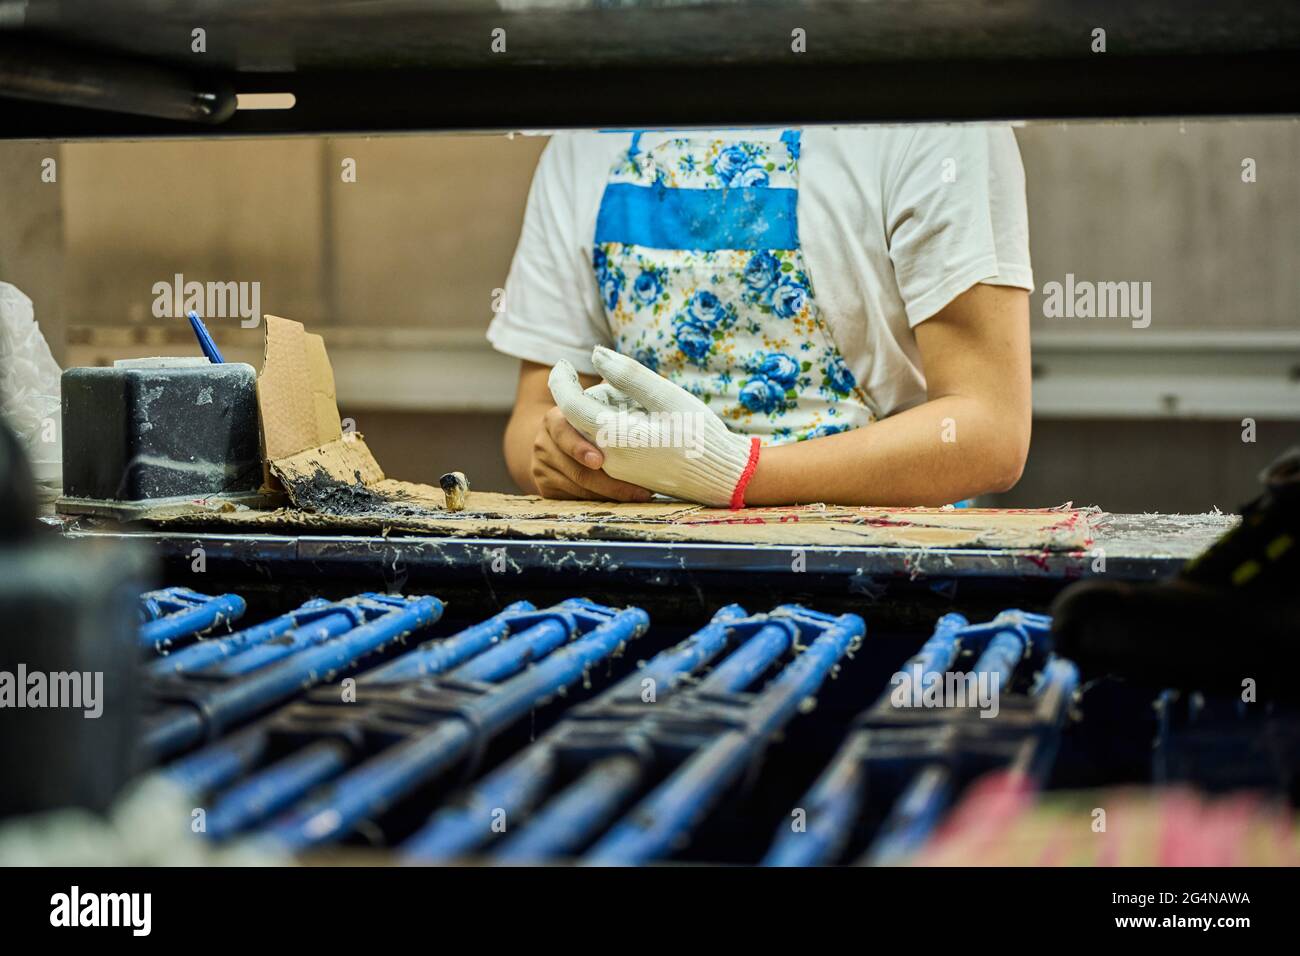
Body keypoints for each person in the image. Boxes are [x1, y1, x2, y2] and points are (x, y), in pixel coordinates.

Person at [489, 126, 1032, 507]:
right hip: (648, 559)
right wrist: (566, 455)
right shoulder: (584, 138)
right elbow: (534, 416)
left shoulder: (932, 120)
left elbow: (987, 430)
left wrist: (736, 471)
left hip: (878, 564)